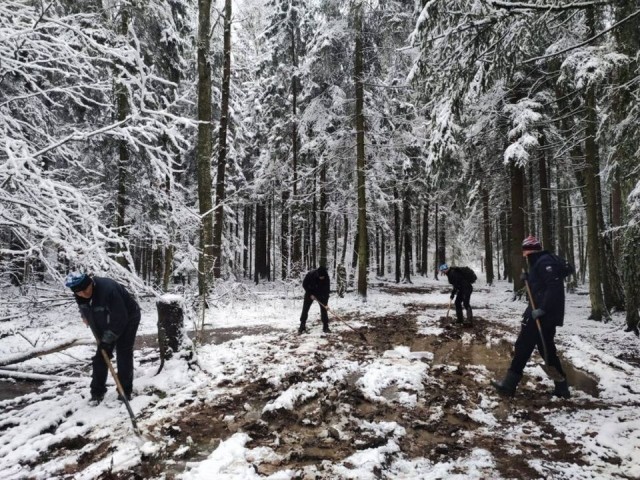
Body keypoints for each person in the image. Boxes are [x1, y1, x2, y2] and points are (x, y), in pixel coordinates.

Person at [491, 235, 570, 399]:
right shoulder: (541, 262)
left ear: (530, 251)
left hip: (540, 315)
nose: (525, 256)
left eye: (525, 252)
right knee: (546, 349)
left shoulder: (544, 262)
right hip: (543, 314)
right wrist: (530, 278)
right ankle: (562, 387)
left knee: (523, 346)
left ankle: (508, 385)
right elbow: (543, 285)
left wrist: (542, 309)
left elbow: (553, 286)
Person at [65, 273, 141, 405]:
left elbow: (120, 319)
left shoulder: (109, 289)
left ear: (91, 283)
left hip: (128, 317)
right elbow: (83, 305)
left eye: (85, 290)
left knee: (123, 353)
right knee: (101, 355)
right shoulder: (80, 292)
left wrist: (107, 340)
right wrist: (84, 315)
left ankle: (125, 391)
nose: (83, 293)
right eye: (79, 292)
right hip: (103, 318)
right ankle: (97, 392)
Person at [299, 266, 331, 334]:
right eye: (320, 277)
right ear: (318, 274)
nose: (322, 278)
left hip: (321, 293)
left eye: (323, 277)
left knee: (324, 309)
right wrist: (310, 294)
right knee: (305, 308)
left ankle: (325, 326)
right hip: (310, 292)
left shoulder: (326, 278)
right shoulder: (311, 274)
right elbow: (304, 284)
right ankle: (302, 325)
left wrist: (325, 303)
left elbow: (327, 291)